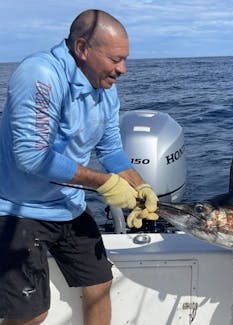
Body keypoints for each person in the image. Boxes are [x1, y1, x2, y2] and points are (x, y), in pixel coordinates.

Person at [0, 9, 158, 325]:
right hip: (16, 209)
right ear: (82, 48)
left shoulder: (105, 90)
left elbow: (111, 149)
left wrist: (139, 185)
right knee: (32, 314)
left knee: (100, 285)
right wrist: (104, 183)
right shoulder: (41, 75)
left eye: (125, 59)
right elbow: (32, 156)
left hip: (69, 207)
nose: (123, 69)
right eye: (116, 59)